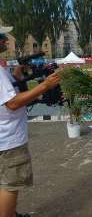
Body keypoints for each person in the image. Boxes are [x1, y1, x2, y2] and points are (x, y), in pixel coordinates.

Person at [0, 26, 60, 217]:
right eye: (1, 37)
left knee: (4, 182)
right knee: (10, 185)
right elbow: (12, 103)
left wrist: (18, 73)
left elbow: (10, 92)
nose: (5, 40)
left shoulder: (3, 72)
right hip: (9, 140)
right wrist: (45, 85)